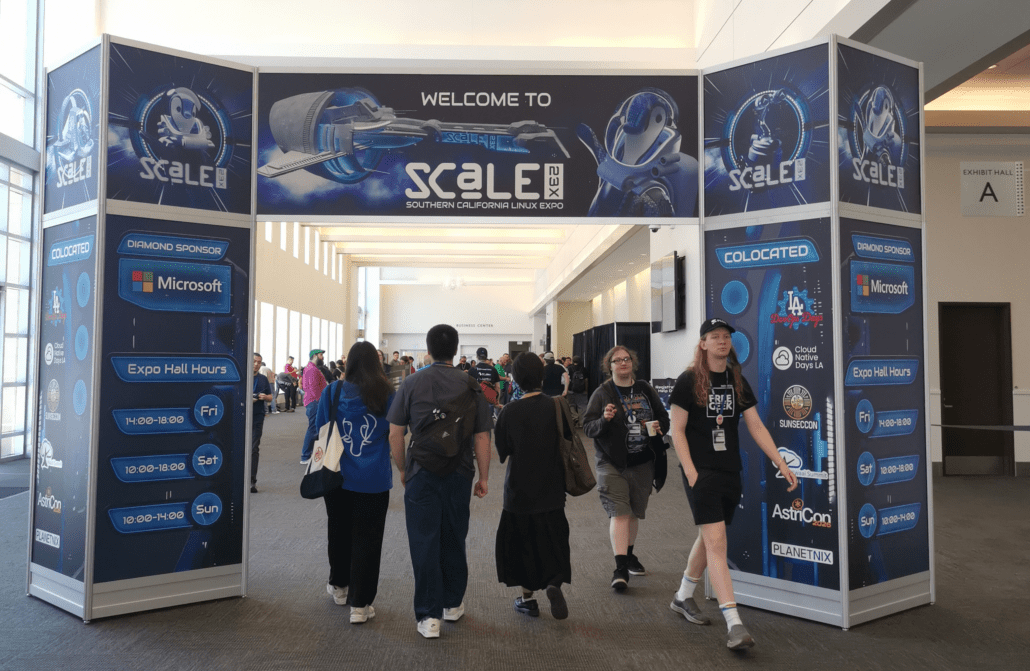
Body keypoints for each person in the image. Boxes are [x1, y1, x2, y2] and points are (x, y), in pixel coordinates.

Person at [667, 318, 799, 650]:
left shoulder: (736, 379)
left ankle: (683, 595)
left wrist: (780, 461)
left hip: (729, 471)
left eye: (726, 336)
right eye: (715, 337)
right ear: (703, 344)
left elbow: (755, 425)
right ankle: (734, 624)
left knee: (708, 536)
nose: (722, 341)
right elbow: (676, 431)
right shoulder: (688, 380)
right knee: (717, 543)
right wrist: (691, 473)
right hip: (701, 473)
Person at [388, 324, 492, 639]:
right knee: (454, 536)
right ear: (456, 351)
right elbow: (482, 436)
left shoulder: (411, 382)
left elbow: (395, 433)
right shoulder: (471, 385)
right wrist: (484, 476)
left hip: (421, 470)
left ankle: (429, 616)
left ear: (428, 350)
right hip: (460, 471)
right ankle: (453, 603)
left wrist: (403, 469)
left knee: (424, 540)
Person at [316, 341, 395, 625]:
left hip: (336, 475)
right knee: (368, 540)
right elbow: (396, 430)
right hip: (373, 478)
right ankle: (360, 605)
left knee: (338, 531)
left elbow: (320, 428)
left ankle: (339, 586)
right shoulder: (387, 394)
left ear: (348, 363)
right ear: (376, 363)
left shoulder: (332, 391)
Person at [582, 345, 670, 593]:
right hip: (612, 463)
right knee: (620, 512)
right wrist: (605, 419)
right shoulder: (603, 393)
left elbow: (663, 418)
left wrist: (658, 426)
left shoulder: (644, 389)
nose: (623, 363)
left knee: (633, 513)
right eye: (617, 360)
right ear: (609, 366)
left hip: (643, 462)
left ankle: (629, 555)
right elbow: (588, 427)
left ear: (633, 362)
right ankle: (620, 569)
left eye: (627, 359)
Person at [494, 352, 571, 620]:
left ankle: (528, 599)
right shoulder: (557, 406)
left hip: (519, 490)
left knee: (522, 545)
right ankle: (554, 581)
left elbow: (502, 451)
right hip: (552, 487)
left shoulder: (509, 411)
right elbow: (569, 439)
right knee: (553, 538)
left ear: (515, 379)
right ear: (542, 376)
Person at [300, 349, 328, 464]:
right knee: (313, 429)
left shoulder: (311, 368)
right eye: (321, 355)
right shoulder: (312, 369)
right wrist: (321, 401)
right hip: (314, 403)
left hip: (313, 402)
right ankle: (305, 456)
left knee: (315, 429)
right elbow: (314, 387)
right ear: (315, 356)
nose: (322, 357)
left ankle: (310, 454)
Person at [251, 353, 273, 493]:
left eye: (259, 362)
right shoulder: (242, 377)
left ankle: (252, 480)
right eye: (254, 361)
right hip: (241, 417)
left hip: (257, 416)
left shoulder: (263, 379)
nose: (256, 364)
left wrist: (265, 397)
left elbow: (270, 397)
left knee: (254, 448)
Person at [566, 355, 589, 422]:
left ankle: (575, 417)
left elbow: (566, 379)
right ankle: (582, 422)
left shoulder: (569, 368)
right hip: (581, 390)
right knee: (582, 406)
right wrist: (586, 390)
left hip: (571, 390)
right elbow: (586, 380)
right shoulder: (583, 369)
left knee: (571, 405)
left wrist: (566, 389)